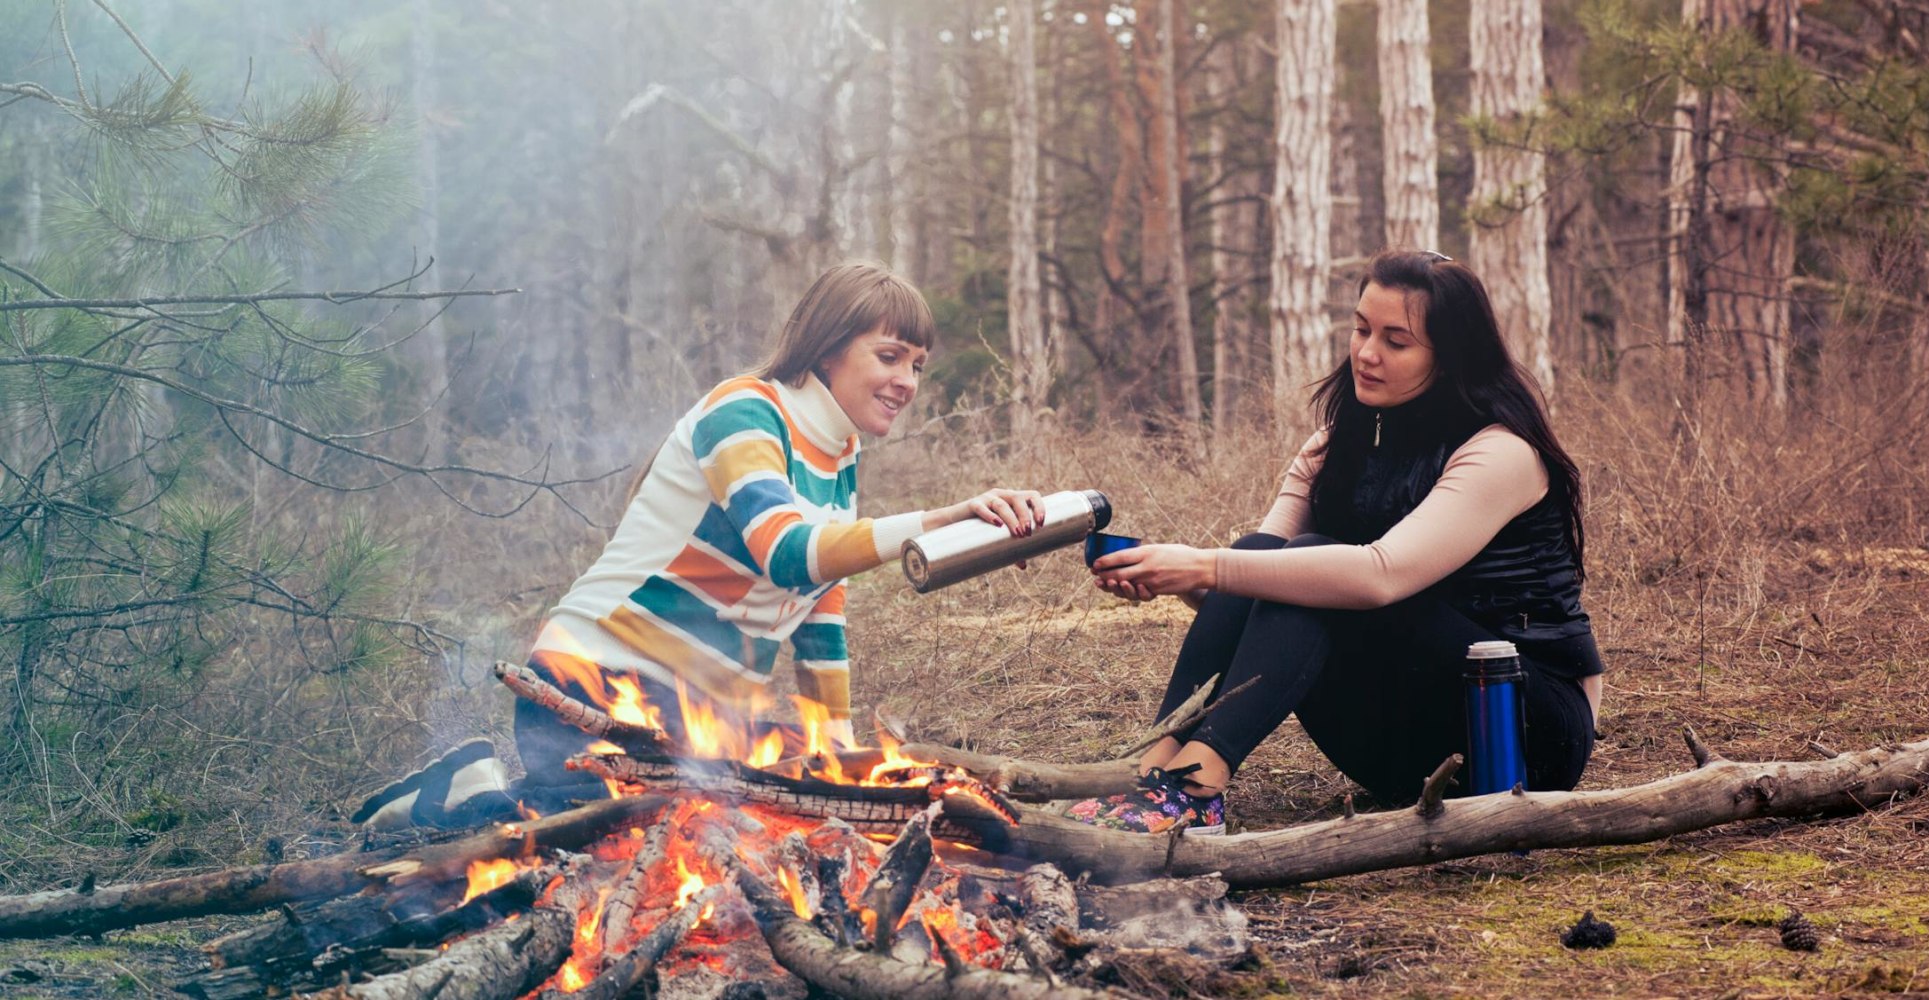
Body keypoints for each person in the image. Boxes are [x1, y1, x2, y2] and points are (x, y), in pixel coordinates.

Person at [353, 262, 1043, 828]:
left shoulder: (840, 451)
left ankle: (487, 790)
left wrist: (837, 743)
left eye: (918, 365)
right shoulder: (744, 411)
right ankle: (456, 795)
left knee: (765, 824)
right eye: (890, 356)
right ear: (829, 349)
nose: (907, 382)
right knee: (600, 839)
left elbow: (820, 600)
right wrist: (935, 521)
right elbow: (789, 553)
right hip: (594, 683)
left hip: (699, 720)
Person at [1064, 250, 1602, 835]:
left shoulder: (1500, 452)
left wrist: (1203, 567)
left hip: (1521, 733)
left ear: (1450, 359)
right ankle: (1146, 775)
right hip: (1403, 744)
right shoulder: (1331, 446)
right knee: (1263, 553)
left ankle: (1197, 790)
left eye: (1396, 342)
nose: (1366, 353)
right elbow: (1257, 588)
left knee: (1297, 565)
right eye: (1361, 328)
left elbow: (1379, 575)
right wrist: (1177, 578)